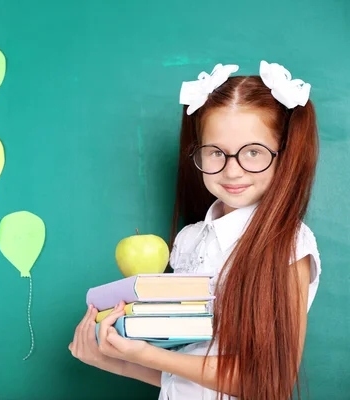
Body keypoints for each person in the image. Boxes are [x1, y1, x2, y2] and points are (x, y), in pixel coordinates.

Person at [69, 60, 321, 399]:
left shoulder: (289, 243)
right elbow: (186, 377)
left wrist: (149, 354)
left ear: (283, 155)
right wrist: (110, 358)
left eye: (253, 152)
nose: (233, 171)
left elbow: (267, 381)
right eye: (216, 152)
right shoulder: (189, 239)